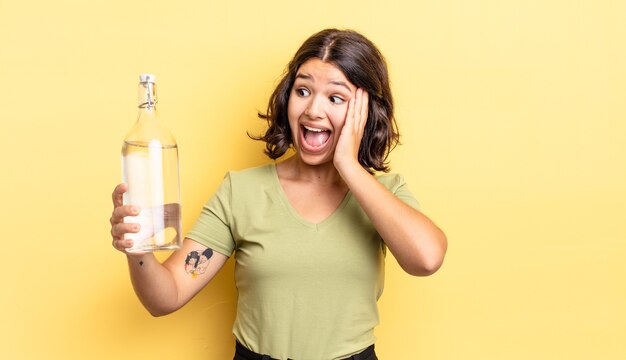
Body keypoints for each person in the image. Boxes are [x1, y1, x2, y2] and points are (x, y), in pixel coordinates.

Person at [110, 28, 447, 360]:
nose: (313, 110)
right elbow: (165, 297)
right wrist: (137, 248)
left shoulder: (384, 194)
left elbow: (427, 259)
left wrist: (350, 166)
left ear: (365, 112)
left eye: (335, 98)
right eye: (303, 91)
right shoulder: (241, 192)